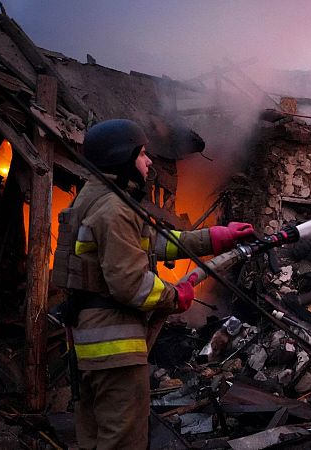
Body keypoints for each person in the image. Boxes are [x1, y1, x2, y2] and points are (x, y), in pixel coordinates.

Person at [51, 119, 254, 449]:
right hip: (115, 350)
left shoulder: (96, 199)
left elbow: (156, 243)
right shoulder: (114, 210)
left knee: (93, 438)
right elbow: (130, 283)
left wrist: (216, 238)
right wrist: (176, 296)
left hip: (91, 346)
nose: (149, 161)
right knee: (122, 440)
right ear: (122, 159)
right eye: (142, 154)